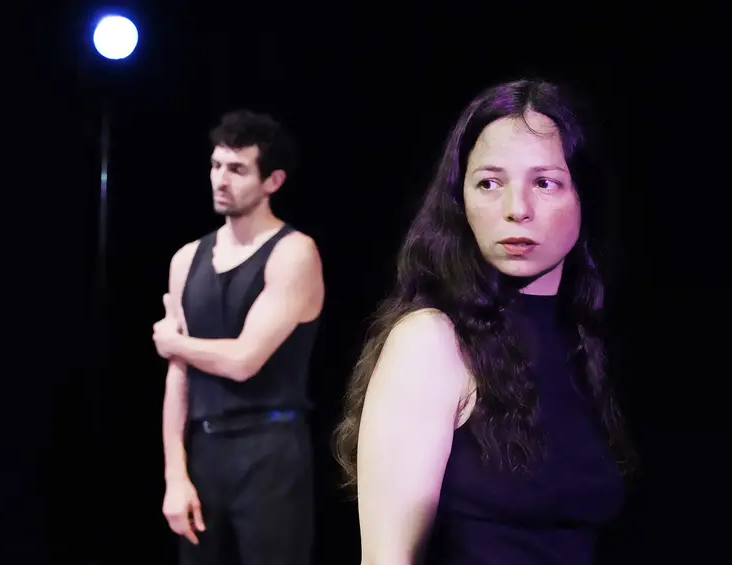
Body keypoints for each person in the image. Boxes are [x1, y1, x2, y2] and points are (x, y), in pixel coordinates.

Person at [332, 79, 637, 564]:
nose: (517, 210)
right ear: (460, 200)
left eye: (545, 183)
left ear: (584, 195)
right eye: (490, 184)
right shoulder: (432, 341)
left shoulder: (579, 343)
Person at [151, 109, 325, 565]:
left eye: (237, 169)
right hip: (204, 447)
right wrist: (175, 475)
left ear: (273, 181)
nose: (221, 179)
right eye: (215, 165)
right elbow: (178, 376)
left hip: (270, 450)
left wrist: (174, 342)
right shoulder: (186, 258)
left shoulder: (294, 252)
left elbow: (245, 359)